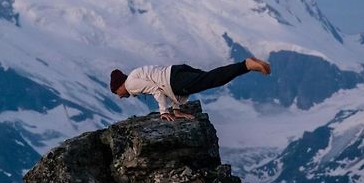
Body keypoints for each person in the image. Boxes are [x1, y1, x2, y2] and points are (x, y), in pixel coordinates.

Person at [110, 57, 271, 121]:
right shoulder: (135, 75)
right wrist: (176, 109)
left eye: (116, 92)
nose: (119, 96)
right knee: (211, 77)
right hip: (175, 71)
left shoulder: (131, 84)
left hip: (174, 80)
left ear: (119, 86)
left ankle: (246, 65)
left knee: (212, 79)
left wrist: (164, 112)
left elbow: (157, 90)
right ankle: (246, 66)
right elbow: (162, 85)